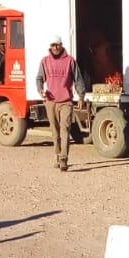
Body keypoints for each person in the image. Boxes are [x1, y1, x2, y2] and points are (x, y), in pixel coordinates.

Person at [35, 36, 86, 172]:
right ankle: (58, 155)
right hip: (51, 102)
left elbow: (78, 79)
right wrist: (40, 90)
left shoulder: (70, 61)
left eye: (57, 45)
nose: (55, 47)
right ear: (50, 46)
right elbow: (39, 78)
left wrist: (81, 96)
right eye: (53, 45)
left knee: (65, 130)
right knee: (55, 132)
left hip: (66, 102)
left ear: (61, 45)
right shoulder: (45, 61)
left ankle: (64, 158)